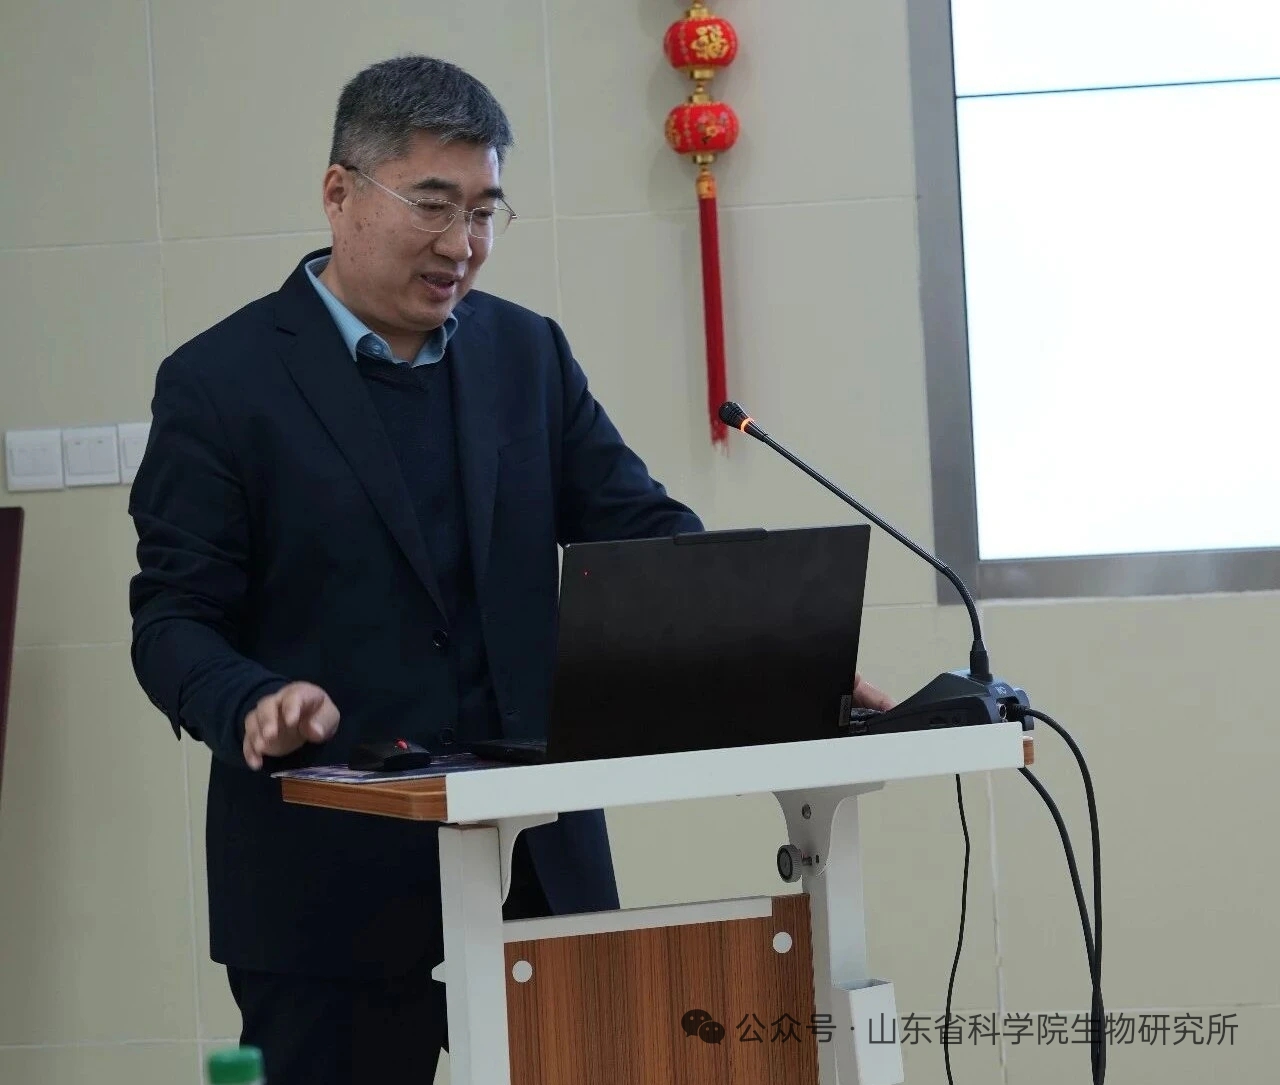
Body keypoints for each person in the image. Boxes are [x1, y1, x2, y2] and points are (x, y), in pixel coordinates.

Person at [128, 55, 892, 1085]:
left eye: (485, 210)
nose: (462, 244)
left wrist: (778, 649)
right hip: (327, 890)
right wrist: (251, 699)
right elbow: (172, 619)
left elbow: (638, 526)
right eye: (433, 204)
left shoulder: (526, 355)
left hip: (542, 869)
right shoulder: (221, 383)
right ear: (340, 193)